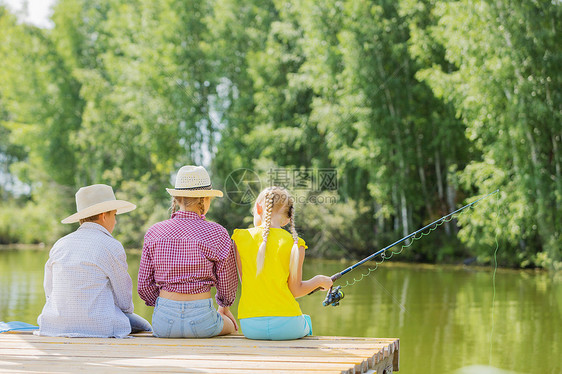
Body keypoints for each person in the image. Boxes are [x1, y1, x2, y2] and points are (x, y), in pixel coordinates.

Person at [36, 184, 152, 338]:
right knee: (146, 326)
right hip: (100, 327)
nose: (115, 222)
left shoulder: (60, 244)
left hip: (55, 325)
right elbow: (124, 301)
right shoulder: (112, 246)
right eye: (114, 216)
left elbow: (49, 291)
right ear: (104, 215)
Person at [138, 165, 238, 338]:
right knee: (232, 326)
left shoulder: (154, 232)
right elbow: (227, 285)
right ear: (205, 200)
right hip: (203, 321)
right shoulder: (218, 232)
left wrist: (164, 304)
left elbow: (144, 286)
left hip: (163, 323)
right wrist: (224, 307)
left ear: (176, 199)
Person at [232, 186, 333, 340]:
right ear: (288, 218)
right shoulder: (296, 244)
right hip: (288, 325)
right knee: (306, 321)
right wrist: (319, 281)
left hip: (250, 326)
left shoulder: (239, 238)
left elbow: (244, 281)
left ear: (259, 208)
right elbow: (296, 290)